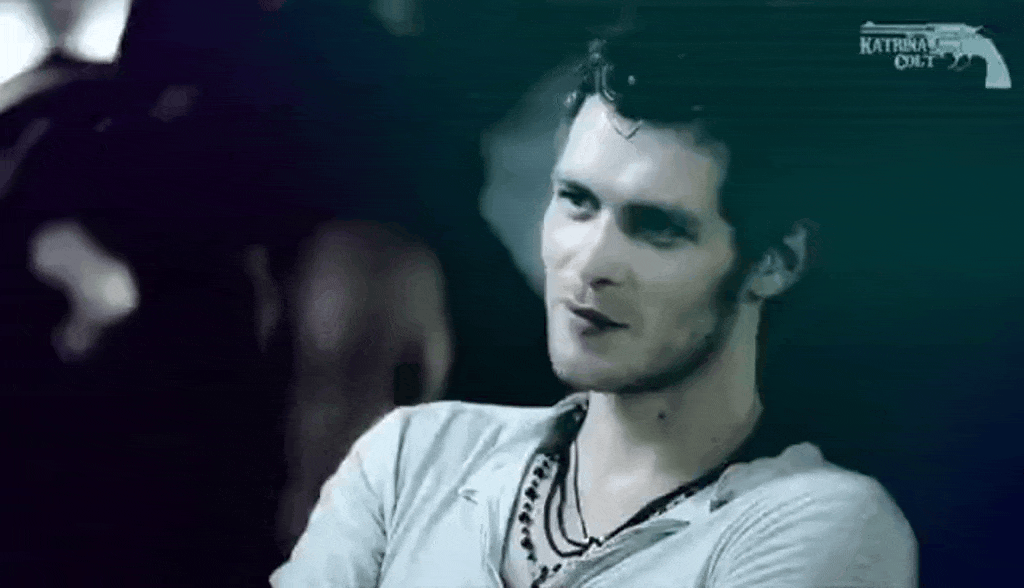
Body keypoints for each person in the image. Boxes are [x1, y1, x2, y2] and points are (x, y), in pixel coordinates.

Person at [270, 18, 918, 588]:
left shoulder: (816, 521)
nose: (591, 263)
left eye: (658, 227)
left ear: (777, 261)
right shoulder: (413, 454)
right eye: (577, 201)